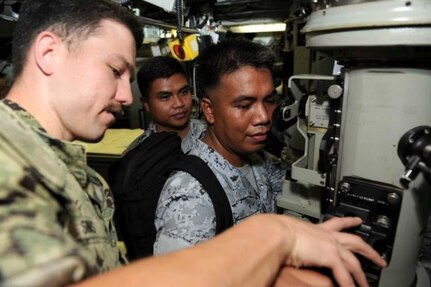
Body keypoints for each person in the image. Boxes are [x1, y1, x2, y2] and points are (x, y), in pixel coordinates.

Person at [0, 1, 386, 287]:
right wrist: (272, 238)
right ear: (49, 53)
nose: (126, 96)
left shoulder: (66, 170)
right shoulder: (8, 160)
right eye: (115, 71)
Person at [153, 38, 287, 254]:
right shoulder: (191, 196)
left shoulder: (260, 160)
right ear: (209, 110)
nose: (263, 117)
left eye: (269, 100)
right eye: (245, 105)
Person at [127, 56, 205, 152]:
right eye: (165, 97)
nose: (179, 103)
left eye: (183, 92)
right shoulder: (138, 154)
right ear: (146, 104)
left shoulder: (214, 137)